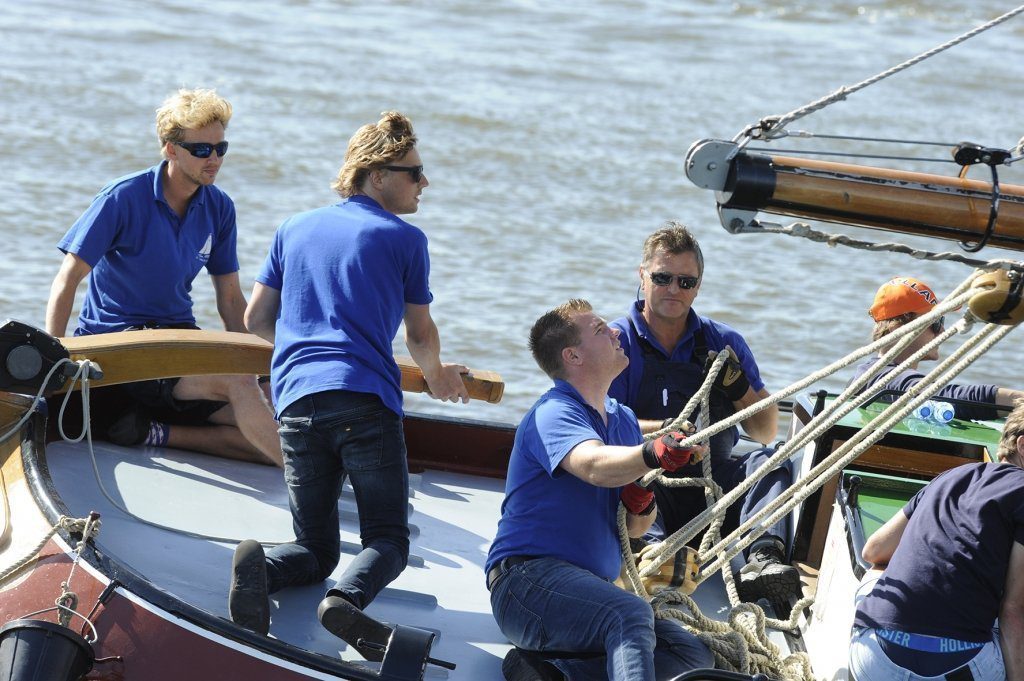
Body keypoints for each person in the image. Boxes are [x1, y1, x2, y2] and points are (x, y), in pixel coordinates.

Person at [233, 111, 470, 655]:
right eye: (415, 172)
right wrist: (438, 377)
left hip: (294, 400)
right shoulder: (405, 239)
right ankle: (344, 602)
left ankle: (262, 568)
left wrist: (304, 345)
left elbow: (254, 321)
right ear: (377, 174)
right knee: (387, 539)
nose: (424, 182)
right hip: (364, 401)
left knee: (314, 549)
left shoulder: (293, 227)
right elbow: (420, 331)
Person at [44, 88, 282, 467]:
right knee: (240, 388)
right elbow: (67, 279)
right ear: (171, 150)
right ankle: (315, 489)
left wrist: (257, 367)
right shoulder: (122, 197)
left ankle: (159, 433)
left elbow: (231, 300)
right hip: (120, 344)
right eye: (202, 150)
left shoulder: (219, 207)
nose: (214, 159)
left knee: (267, 412)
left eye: (221, 148)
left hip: (179, 336)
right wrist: (56, 355)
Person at [486, 298, 714, 681]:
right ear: (573, 356)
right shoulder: (553, 412)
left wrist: (640, 499)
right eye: (599, 330)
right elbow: (592, 465)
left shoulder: (622, 420)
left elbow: (637, 529)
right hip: (526, 586)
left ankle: (550, 672)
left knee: (690, 652)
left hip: (587, 591)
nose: (614, 331)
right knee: (629, 613)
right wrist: (654, 452)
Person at [608, 223, 799, 613]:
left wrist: (739, 387)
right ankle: (653, 557)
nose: (674, 290)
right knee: (630, 480)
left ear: (699, 285)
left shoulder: (724, 342)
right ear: (641, 276)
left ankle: (762, 559)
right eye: (662, 278)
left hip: (714, 493)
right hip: (648, 488)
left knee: (772, 459)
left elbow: (764, 431)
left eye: (685, 281)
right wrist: (667, 435)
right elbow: (603, 428)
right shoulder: (614, 343)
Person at [849, 399, 1024, 680]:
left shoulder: (949, 477)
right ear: (1023, 446)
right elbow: (1014, 611)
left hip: (875, 661)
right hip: (959, 671)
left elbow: (873, 551)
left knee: (878, 572)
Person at [848, 276, 1024, 419]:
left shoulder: (869, 374)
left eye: (942, 321)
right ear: (898, 328)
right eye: (935, 322)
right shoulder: (881, 377)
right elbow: (948, 396)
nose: (942, 330)